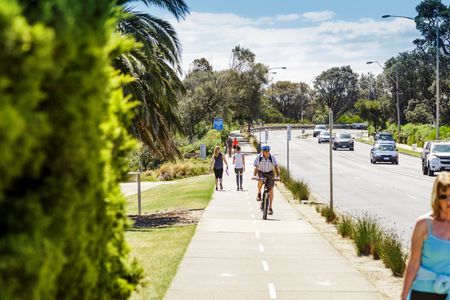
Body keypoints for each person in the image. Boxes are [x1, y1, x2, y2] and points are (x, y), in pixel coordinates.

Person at [401, 172, 450, 300]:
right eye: (444, 196)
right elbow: (413, 263)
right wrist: (403, 296)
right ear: (437, 198)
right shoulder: (423, 224)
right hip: (424, 292)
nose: (448, 201)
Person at [253, 145, 280, 215]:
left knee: (271, 189)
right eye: (265, 151)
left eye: (268, 151)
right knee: (260, 180)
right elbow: (256, 167)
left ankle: (270, 208)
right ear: (262, 151)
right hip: (261, 171)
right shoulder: (259, 157)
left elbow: (276, 167)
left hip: (270, 172)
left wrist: (278, 176)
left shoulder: (272, 157)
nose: (267, 152)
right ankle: (259, 193)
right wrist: (254, 175)